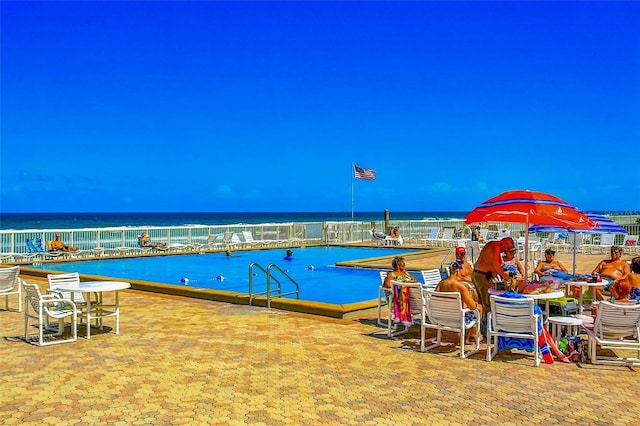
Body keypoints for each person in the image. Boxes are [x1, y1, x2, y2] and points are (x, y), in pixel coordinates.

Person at [435, 261, 482, 343]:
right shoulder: (460, 287)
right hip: (458, 318)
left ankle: (468, 335)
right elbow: (472, 306)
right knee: (480, 309)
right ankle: (472, 335)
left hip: (442, 317)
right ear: (457, 272)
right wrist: (478, 305)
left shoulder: (441, 284)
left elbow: (435, 298)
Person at [472, 237, 516, 317]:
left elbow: (500, 263)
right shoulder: (496, 247)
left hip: (482, 275)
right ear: (504, 244)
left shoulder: (496, 247)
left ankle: (483, 321)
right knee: (487, 303)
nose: (506, 251)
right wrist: (506, 277)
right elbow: (496, 264)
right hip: (482, 275)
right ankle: (486, 323)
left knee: (483, 301)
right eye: (508, 248)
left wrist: (509, 255)